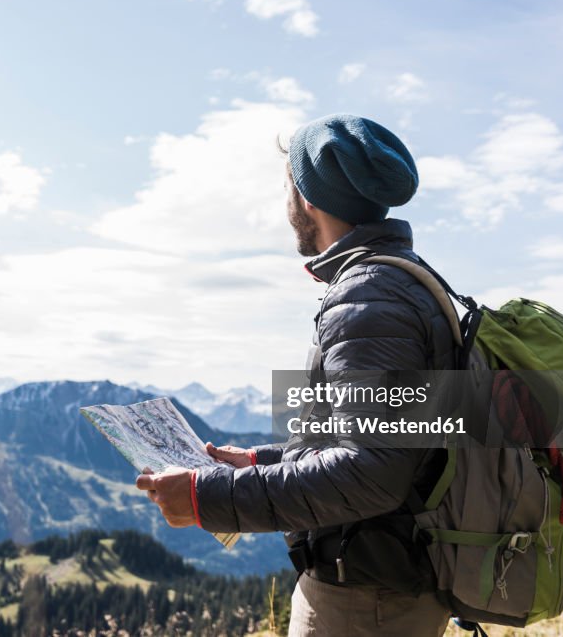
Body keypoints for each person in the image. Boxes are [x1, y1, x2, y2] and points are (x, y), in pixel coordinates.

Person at [136, 114, 457, 636]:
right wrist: (261, 463)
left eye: (290, 186)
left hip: (366, 597)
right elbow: (391, 441)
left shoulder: (370, 296)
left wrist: (206, 498)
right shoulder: (395, 280)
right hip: (379, 583)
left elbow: (371, 472)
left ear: (310, 199)